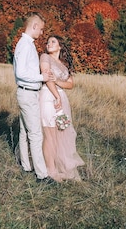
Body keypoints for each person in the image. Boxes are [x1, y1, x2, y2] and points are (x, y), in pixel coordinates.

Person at [13, 12, 56, 184]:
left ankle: (26, 166)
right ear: (34, 26)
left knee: (25, 132)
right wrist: (41, 78)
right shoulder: (24, 45)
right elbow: (20, 73)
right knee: (36, 134)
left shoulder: (26, 44)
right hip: (27, 93)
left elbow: (25, 71)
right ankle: (42, 175)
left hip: (27, 92)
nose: (42, 33)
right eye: (41, 29)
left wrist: (40, 74)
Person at [39, 35, 84, 182]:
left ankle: (58, 167)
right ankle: (50, 171)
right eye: (48, 42)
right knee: (49, 134)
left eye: (53, 42)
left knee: (61, 132)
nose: (49, 44)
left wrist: (58, 81)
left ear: (60, 46)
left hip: (61, 99)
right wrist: (56, 95)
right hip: (48, 97)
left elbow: (71, 84)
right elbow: (47, 79)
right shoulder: (45, 57)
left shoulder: (63, 64)